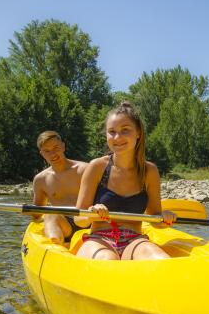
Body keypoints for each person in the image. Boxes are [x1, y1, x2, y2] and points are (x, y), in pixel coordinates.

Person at [75, 102, 176, 260]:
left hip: (134, 241)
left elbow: (155, 219)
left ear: (138, 133)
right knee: (108, 260)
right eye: (112, 132)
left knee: (162, 261)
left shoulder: (149, 171)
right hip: (100, 240)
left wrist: (165, 218)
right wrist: (91, 213)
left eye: (125, 130)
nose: (117, 137)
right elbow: (79, 220)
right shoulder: (96, 167)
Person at [32, 131, 87, 244]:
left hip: (88, 222)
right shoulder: (40, 180)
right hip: (64, 226)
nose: (53, 154)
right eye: (47, 151)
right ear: (42, 153)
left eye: (56, 148)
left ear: (63, 146)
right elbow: (36, 214)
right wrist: (27, 210)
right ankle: (55, 247)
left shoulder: (84, 170)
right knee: (50, 213)